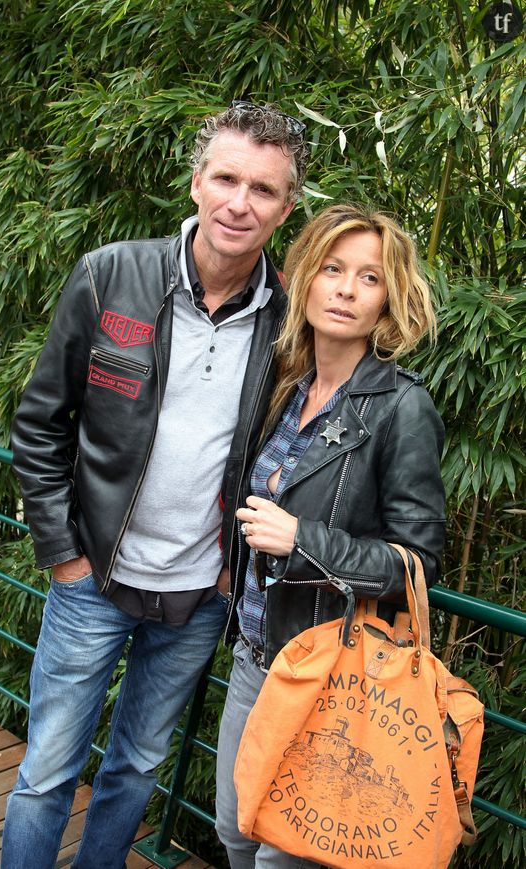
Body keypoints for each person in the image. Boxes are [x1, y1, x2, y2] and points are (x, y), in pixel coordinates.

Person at [2, 101, 308, 869]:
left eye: (264, 189)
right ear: (197, 182)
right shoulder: (113, 274)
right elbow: (40, 419)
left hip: (199, 595)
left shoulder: (293, 319)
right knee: (44, 773)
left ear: (287, 205)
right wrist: (63, 555)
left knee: (136, 766)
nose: (241, 203)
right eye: (227, 178)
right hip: (91, 581)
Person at [215, 203, 446, 869]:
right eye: (333, 268)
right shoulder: (286, 387)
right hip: (257, 659)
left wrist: (302, 538)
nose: (346, 289)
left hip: (330, 672)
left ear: (389, 299)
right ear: (304, 279)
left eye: (369, 277)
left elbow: (416, 563)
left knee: (281, 856)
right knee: (235, 830)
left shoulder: (402, 406)